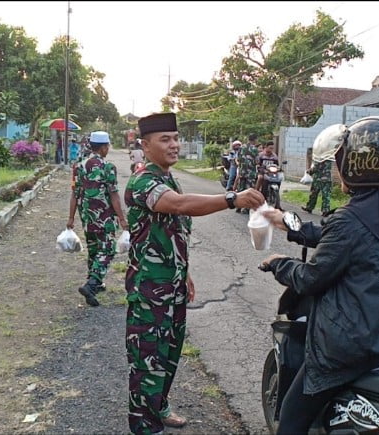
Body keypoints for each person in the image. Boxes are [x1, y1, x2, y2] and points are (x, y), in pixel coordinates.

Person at [259, 116, 379, 434]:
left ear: (357, 165)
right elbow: (338, 236)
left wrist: (278, 264)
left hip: (359, 345)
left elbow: (312, 277)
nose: (337, 169)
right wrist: (288, 223)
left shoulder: (351, 218)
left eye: (339, 161)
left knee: (292, 417)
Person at [124, 112, 264, 434]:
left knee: (170, 352)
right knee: (148, 359)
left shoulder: (167, 177)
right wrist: (232, 198)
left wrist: (184, 274)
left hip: (171, 286)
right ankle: (145, 426)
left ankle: (160, 408)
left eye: (175, 138)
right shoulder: (144, 180)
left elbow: (172, 232)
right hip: (149, 291)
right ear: (145, 146)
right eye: (165, 139)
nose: (174, 145)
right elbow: (180, 205)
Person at [67, 131, 128, 307]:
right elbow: (114, 195)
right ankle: (91, 284)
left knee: (94, 250)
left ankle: (96, 283)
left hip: (87, 217)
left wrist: (71, 218)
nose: (108, 149)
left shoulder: (78, 166)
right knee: (107, 250)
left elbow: (74, 194)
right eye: (107, 146)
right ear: (103, 147)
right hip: (105, 218)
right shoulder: (107, 167)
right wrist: (122, 220)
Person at [302, 124, 346, 217]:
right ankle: (324, 210)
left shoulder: (323, 158)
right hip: (326, 179)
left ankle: (311, 207)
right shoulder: (329, 158)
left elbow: (317, 168)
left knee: (315, 194)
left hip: (320, 179)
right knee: (325, 195)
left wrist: (309, 171)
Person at [233, 133, 260, 213]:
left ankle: (238, 206)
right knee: (249, 190)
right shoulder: (255, 149)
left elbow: (238, 159)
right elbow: (257, 161)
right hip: (250, 173)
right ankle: (246, 208)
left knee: (241, 189)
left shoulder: (242, 148)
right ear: (255, 139)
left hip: (242, 172)